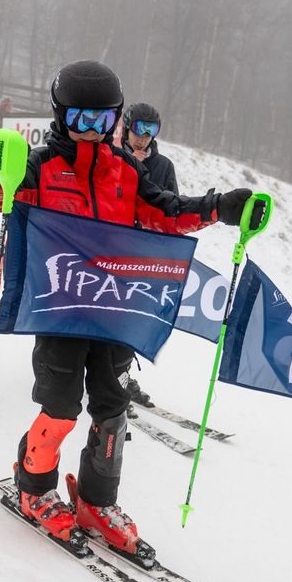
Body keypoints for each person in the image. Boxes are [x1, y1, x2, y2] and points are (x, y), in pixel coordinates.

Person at [0, 60, 258, 562]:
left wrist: (220, 208)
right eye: (80, 119)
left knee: (112, 409)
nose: (91, 131)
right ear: (61, 116)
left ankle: (96, 503)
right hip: (58, 308)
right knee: (61, 406)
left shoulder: (127, 171)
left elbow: (168, 213)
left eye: (102, 121)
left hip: (114, 307)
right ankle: (34, 484)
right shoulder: (38, 163)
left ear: (116, 120)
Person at [116, 102, 177, 417]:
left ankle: (121, 377)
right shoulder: (111, 156)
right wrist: (128, 165)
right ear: (126, 126)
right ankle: (108, 382)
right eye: (138, 129)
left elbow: (171, 212)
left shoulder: (163, 166)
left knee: (130, 323)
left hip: (143, 258)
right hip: (111, 253)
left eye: (151, 131)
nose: (143, 138)